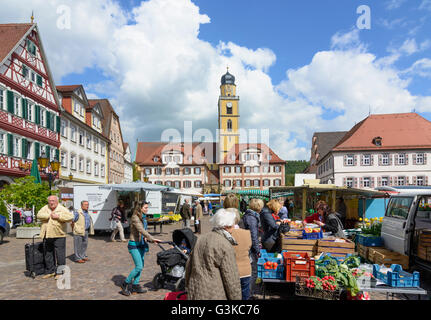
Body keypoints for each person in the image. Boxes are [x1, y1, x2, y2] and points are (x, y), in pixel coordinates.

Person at [185, 208, 242, 300]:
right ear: (227, 226)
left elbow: (188, 266)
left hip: (195, 290)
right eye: (233, 224)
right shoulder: (225, 245)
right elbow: (231, 278)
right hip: (215, 293)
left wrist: (188, 286)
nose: (234, 226)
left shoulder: (200, 239)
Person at [121, 201, 162, 296]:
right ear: (140, 208)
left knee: (141, 266)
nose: (147, 209)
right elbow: (141, 230)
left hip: (141, 244)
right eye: (145, 208)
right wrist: (152, 238)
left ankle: (135, 285)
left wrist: (149, 240)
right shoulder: (135, 217)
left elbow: (144, 231)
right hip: (134, 244)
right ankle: (125, 284)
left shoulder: (143, 217)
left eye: (147, 207)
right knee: (138, 266)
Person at [37, 195, 74, 280]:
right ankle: (50, 271)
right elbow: (39, 215)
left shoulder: (62, 208)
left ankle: (60, 272)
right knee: (48, 254)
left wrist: (59, 217)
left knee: (60, 255)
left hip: (59, 234)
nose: (51, 202)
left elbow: (70, 217)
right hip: (47, 234)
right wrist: (49, 215)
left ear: (57, 201)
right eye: (50, 201)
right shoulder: (45, 208)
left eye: (53, 200)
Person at [242, 198, 264, 298]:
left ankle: (248, 294)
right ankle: (248, 295)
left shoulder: (250, 215)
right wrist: (257, 250)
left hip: (248, 246)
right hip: (250, 248)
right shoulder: (252, 218)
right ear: (258, 207)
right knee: (253, 272)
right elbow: (253, 235)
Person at [229, 208, 252, 300]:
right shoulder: (247, 233)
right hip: (246, 270)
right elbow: (248, 249)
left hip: (231, 271)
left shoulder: (226, 234)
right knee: (245, 297)